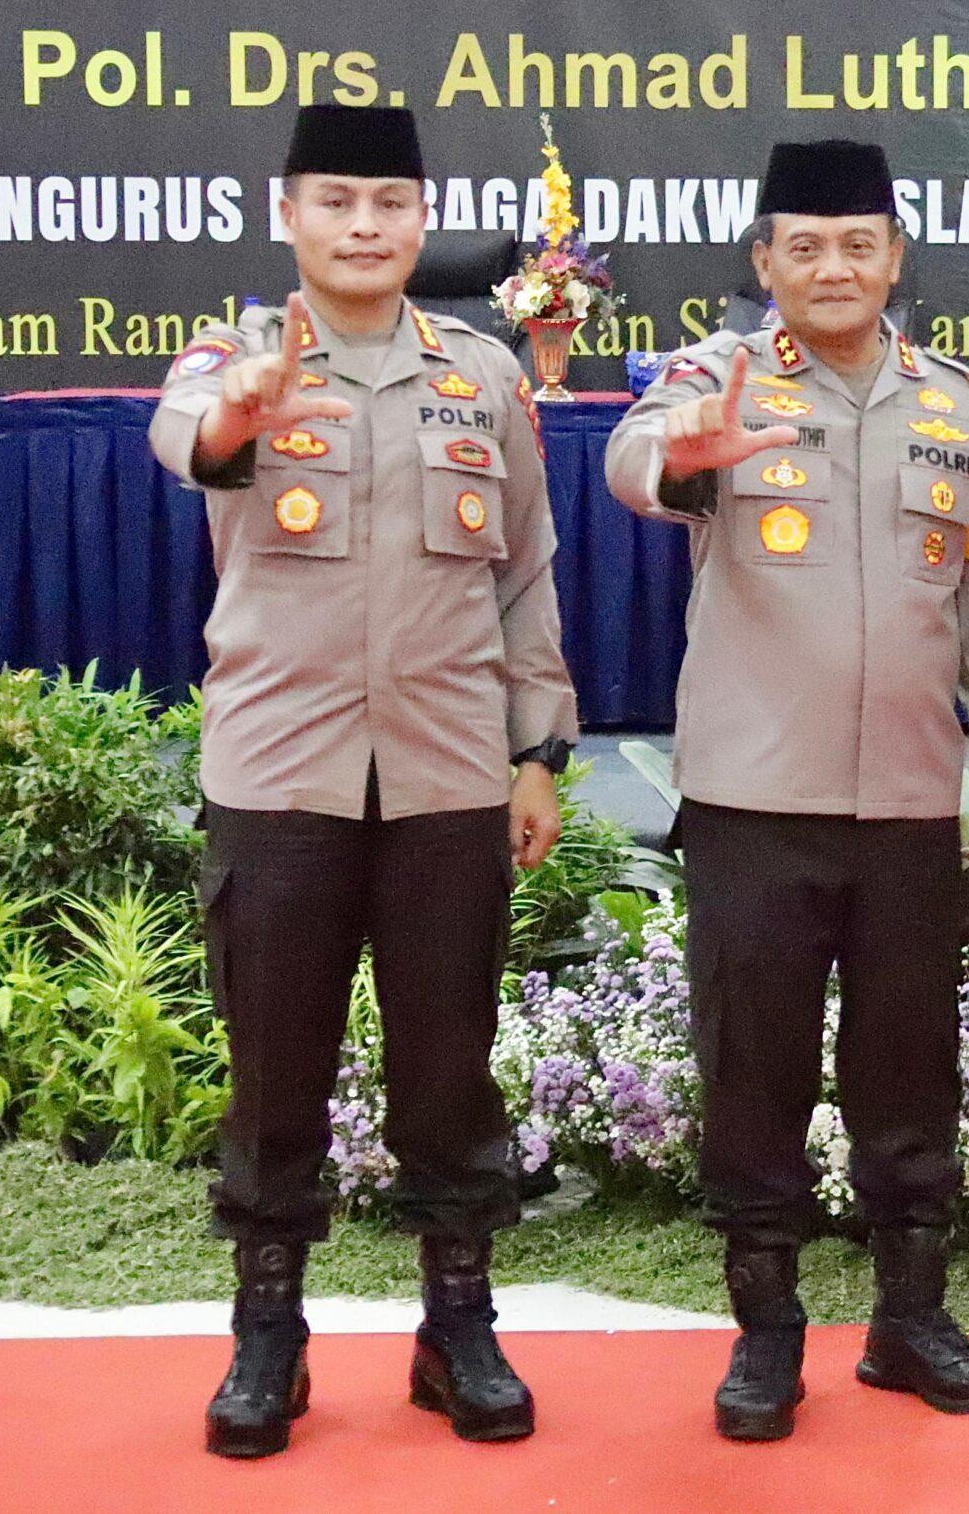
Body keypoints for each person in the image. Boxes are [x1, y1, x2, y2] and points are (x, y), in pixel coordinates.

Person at [148, 104, 577, 1458]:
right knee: (277, 1071)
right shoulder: (231, 359)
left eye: (390, 204)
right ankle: (266, 1336)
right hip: (281, 773)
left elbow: (524, 573)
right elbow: (192, 447)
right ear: (290, 215)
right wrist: (240, 417)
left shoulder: (482, 375)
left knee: (447, 1066)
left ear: (420, 220)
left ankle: (459, 1327)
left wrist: (538, 752)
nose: (365, 227)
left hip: (451, 773)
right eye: (336, 202)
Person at [604, 138, 969, 1442]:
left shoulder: (956, 405)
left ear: (895, 258)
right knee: (757, 1074)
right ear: (766, 263)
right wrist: (688, 448)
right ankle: (768, 1333)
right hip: (755, 805)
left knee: (910, 1072)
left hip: (911, 803)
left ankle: (909, 1321)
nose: (835, 267)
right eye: (806, 246)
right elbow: (641, 461)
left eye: (859, 245)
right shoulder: (716, 378)